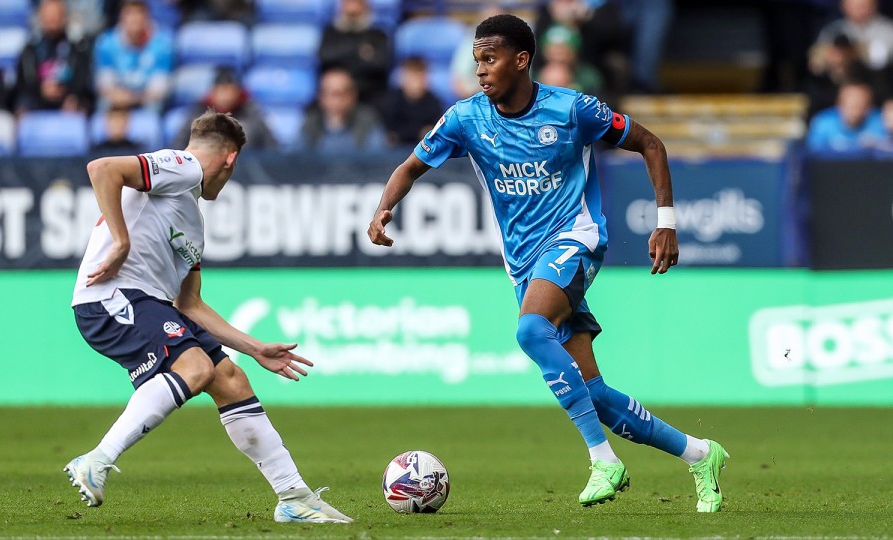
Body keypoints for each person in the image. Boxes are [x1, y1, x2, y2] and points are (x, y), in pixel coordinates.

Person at [367, 14, 729, 512]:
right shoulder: (465, 119)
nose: (480, 70)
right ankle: (701, 455)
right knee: (594, 393)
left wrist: (665, 221)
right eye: (476, 60)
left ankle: (603, 460)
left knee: (531, 330)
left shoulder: (572, 109)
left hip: (576, 239)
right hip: (524, 262)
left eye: (490, 59)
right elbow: (410, 167)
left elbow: (650, 144)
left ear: (521, 60)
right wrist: (384, 207)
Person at [65, 109, 353, 524]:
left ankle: (294, 498)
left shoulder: (193, 221)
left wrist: (255, 349)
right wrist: (121, 242)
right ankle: (97, 460)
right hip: (113, 297)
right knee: (196, 368)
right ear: (231, 158)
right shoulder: (184, 166)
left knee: (231, 380)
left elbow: (190, 304)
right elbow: (103, 168)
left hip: (152, 303)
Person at [93, 0, 173, 111]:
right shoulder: (106, 43)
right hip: (116, 98)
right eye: (129, 13)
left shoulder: (163, 44)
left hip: (146, 100)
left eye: (139, 12)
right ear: (121, 16)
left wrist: (133, 98)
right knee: (104, 105)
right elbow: (104, 84)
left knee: (153, 107)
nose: (135, 18)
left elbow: (159, 88)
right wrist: (117, 96)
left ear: (147, 16)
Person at [15, 0, 92, 114]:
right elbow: (24, 81)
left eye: (56, 16)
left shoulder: (78, 48)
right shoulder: (30, 49)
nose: (52, 20)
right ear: (41, 18)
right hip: (37, 99)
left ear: (64, 17)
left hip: (68, 99)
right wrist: (41, 89)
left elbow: (83, 79)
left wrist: (70, 92)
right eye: (48, 16)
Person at [173, 67, 276, 150]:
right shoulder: (198, 113)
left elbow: (272, 148)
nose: (226, 97)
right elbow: (178, 145)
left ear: (238, 93)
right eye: (222, 91)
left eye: (230, 91)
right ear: (213, 92)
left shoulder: (251, 112)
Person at [318, 0, 390, 105]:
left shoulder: (377, 35)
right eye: (348, 3)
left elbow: (379, 64)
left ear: (366, 8)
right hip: (337, 96)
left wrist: (342, 56)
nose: (352, 9)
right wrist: (360, 52)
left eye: (357, 4)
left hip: (369, 97)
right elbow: (325, 57)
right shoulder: (330, 33)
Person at [299, 67, 386, 154]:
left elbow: (376, 156)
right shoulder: (310, 124)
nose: (338, 99)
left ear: (353, 95)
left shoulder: (368, 121)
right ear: (321, 97)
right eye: (333, 94)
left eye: (343, 92)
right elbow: (298, 157)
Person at [380, 57, 444, 147]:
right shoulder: (391, 100)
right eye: (412, 78)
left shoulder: (434, 102)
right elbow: (390, 129)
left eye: (419, 78)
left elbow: (432, 130)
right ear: (403, 78)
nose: (416, 84)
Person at [806, 80, 886, 152]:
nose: (855, 111)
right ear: (839, 104)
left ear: (869, 107)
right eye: (851, 105)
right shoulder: (823, 122)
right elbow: (813, 152)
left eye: (860, 105)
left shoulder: (881, 121)